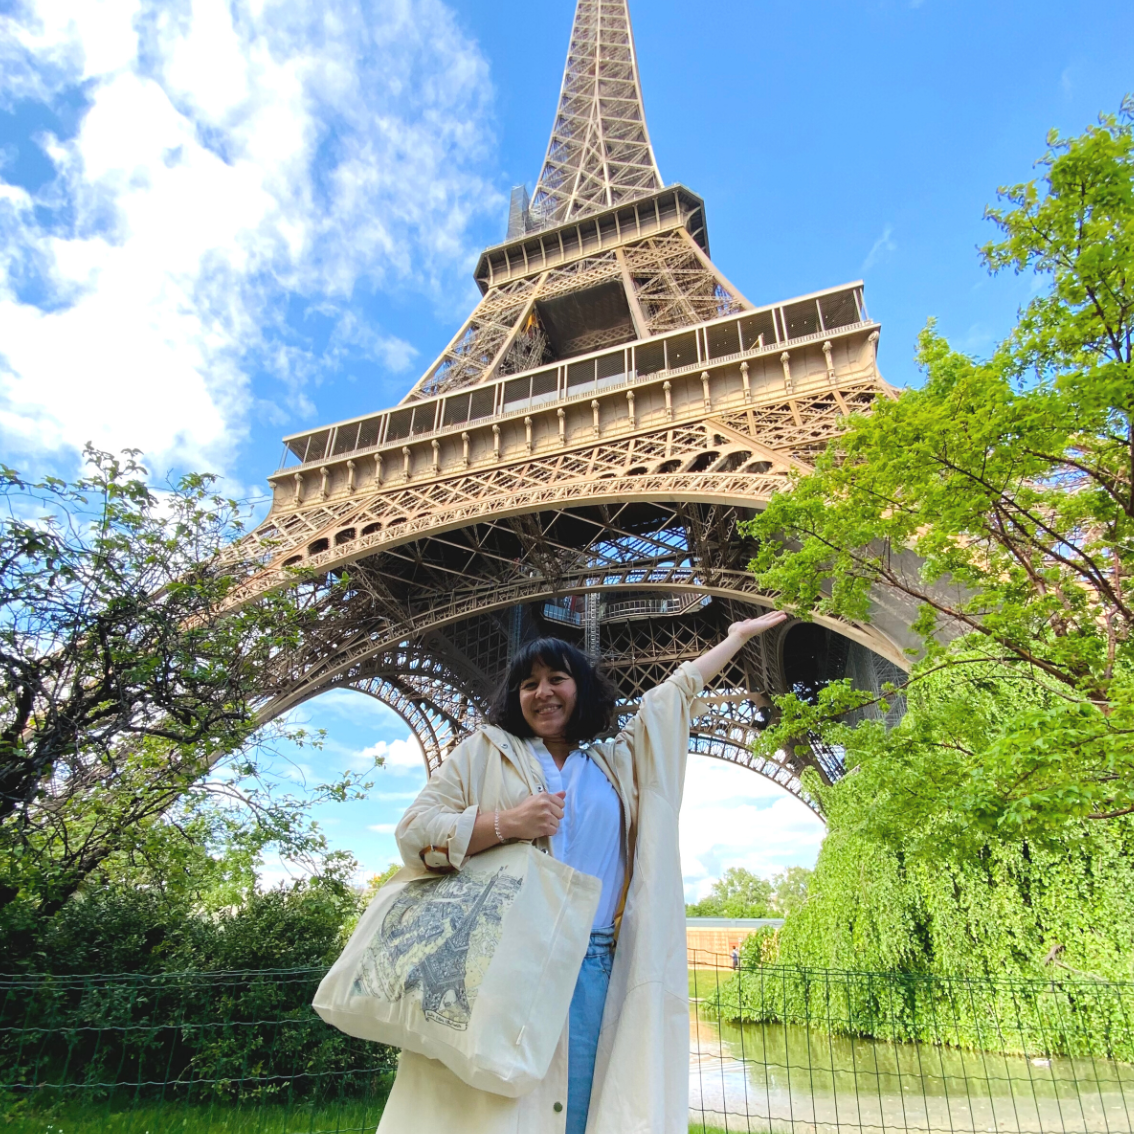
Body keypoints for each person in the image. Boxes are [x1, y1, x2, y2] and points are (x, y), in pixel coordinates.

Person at [379, 610, 788, 1134]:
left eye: (557, 679)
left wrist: (734, 638)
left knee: (581, 1111)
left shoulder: (615, 763)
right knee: (493, 1111)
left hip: (596, 961)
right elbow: (414, 832)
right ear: (515, 697)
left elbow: (669, 698)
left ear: (581, 689)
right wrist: (506, 822)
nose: (543, 692)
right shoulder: (484, 752)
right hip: (506, 958)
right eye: (529, 683)